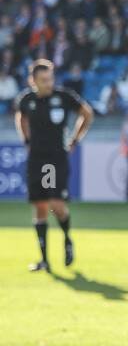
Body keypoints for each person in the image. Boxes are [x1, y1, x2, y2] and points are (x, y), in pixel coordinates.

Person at [15, 59, 93, 271]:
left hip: (54, 160)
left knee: (54, 205)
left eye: (50, 79)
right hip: (36, 159)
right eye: (43, 80)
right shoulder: (27, 100)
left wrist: (75, 139)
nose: (48, 84)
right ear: (33, 81)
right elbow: (20, 118)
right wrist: (26, 140)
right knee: (40, 206)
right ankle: (44, 260)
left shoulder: (63, 97)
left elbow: (87, 114)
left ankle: (67, 239)